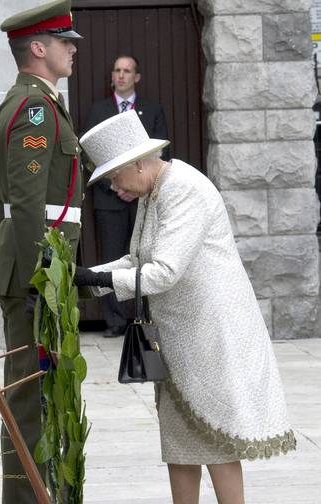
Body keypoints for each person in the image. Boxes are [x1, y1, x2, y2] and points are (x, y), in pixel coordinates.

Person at [75, 110, 296, 504]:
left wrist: (97, 281)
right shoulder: (153, 189)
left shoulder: (183, 189)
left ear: (139, 163)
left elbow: (163, 272)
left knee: (217, 441)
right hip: (179, 338)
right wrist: (81, 280)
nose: (112, 185)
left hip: (211, 336)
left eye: (113, 175)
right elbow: (136, 261)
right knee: (180, 444)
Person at [0, 1, 83, 502]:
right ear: (39, 49)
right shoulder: (35, 107)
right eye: (65, 42)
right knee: (29, 400)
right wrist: (35, 280)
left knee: (37, 396)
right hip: (36, 277)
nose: (73, 49)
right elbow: (24, 203)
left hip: (41, 271)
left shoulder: (36, 102)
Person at [83, 55, 169, 337]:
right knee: (113, 255)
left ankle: (143, 318)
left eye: (127, 71)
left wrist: (136, 189)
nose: (121, 75)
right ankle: (115, 321)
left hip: (144, 196)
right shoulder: (99, 110)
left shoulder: (151, 109)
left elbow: (160, 153)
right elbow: (91, 159)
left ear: (137, 77)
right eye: (117, 70)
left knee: (147, 254)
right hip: (110, 200)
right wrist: (118, 186)